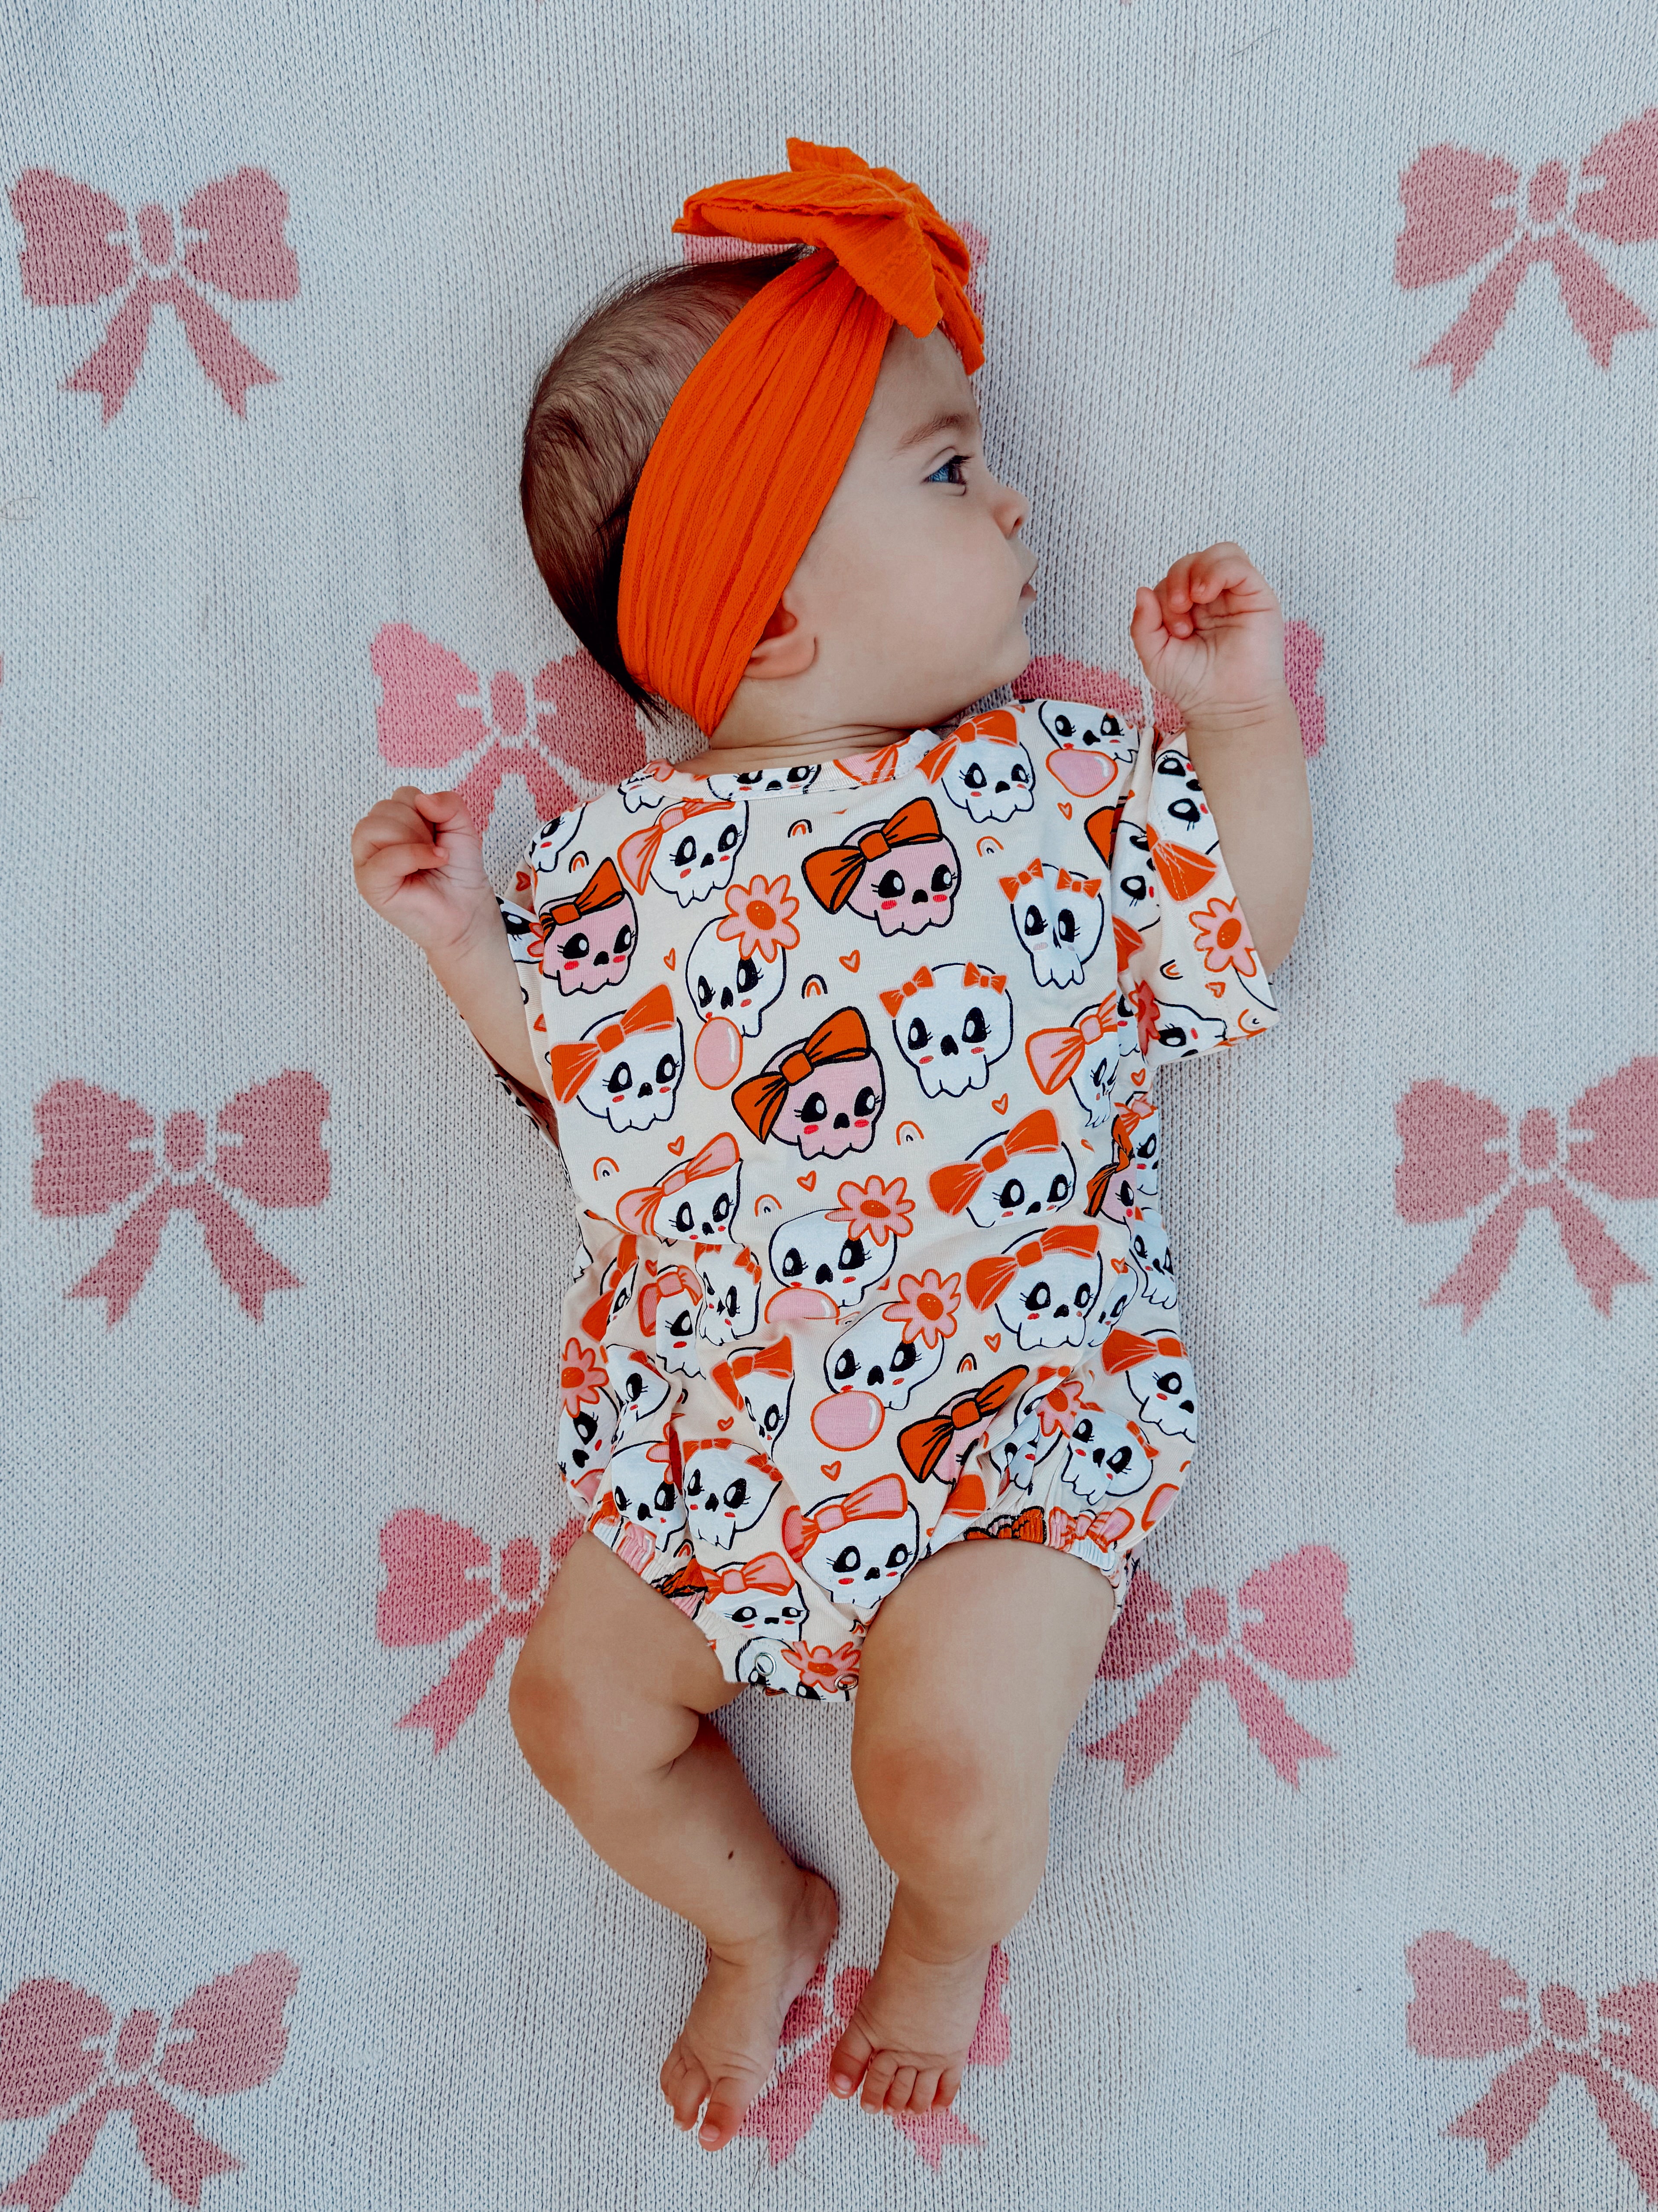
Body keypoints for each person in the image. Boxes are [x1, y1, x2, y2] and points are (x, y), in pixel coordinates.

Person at [350, 139, 1311, 2153]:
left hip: (995, 1426)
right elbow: (578, 1077)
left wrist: (1235, 727)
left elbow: (1229, 925)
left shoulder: (1048, 780)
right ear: (769, 620)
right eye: (953, 470)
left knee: (948, 1770)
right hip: (726, 1447)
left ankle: (938, 1937)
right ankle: (756, 1914)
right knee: (573, 1711)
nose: (1022, 494)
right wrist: (461, 940)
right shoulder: (619, 863)